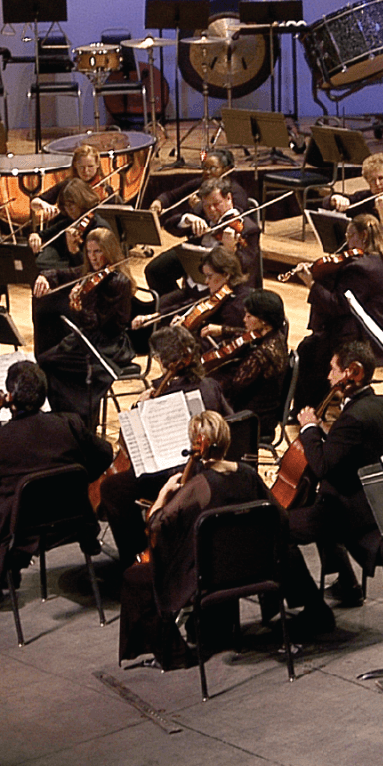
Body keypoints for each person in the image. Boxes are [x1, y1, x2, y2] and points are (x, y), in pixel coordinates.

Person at [118, 409, 293, 669]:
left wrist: (164, 494)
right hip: (256, 570)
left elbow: (155, 526)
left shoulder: (199, 486)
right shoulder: (248, 474)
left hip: (211, 578)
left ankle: (175, 655)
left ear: (197, 444)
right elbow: (281, 519)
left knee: (135, 577)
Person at [0, 360, 114, 614]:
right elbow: (104, 454)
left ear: (9, 397)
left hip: (21, 528)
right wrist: (80, 479)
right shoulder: (70, 424)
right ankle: (3, 569)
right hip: (70, 521)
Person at [284, 342, 383, 607]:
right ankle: (347, 584)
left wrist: (309, 429)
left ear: (352, 372)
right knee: (322, 501)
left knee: (279, 527)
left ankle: (312, 607)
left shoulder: (352, 419)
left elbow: (322, 468)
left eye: (333, 369)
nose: (329, 376)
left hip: (353, 513)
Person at [97, 330, 236, 560]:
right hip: (215, 469)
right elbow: (232, 423)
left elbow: (135, 446)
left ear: (162, 360)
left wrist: (138, 407)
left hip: (179, 474)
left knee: (112, 488)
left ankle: (135, 557)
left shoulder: (161, 397)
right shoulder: (210, 385)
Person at [291, 210, 383, 393]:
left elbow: (337, 305)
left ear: (363, 235)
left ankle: (310, 405)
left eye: (349, 235)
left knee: (310, 348)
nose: (347, 242)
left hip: (374, 342)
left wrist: (312, 283)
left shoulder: (360, 268)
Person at [32, 226, 135, 428]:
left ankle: (82, 421)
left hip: (108, 344)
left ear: (110, 251)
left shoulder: (118, 282)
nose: (93, 257)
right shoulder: (90, 273)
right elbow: (63, 274)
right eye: (89, 252)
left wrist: (77, 308)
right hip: (87, 338)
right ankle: (64, 418)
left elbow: (98, 323)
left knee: (53, 364)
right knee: (45, 360)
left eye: (98, 251)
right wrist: (45, 276)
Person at [147, 174, 263, 301]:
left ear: (229, 198)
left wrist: (230, 250)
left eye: (216, 204)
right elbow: (170, 225)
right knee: (155, 271)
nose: (212, 210)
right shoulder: (202, 212)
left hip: (223, 286)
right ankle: (182, 303)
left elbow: (245, 266)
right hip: (195, 268)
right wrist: (186, 219)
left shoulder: (247, 229)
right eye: (207, 205)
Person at [204, 286, 292, 444]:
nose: (244, 319)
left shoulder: (261, 356)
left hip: (253, 419)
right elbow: (247, 334)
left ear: (263, 321)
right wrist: (223, 330)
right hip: (267, 410)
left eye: (249, 315)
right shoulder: (277, 335)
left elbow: (234, 390)